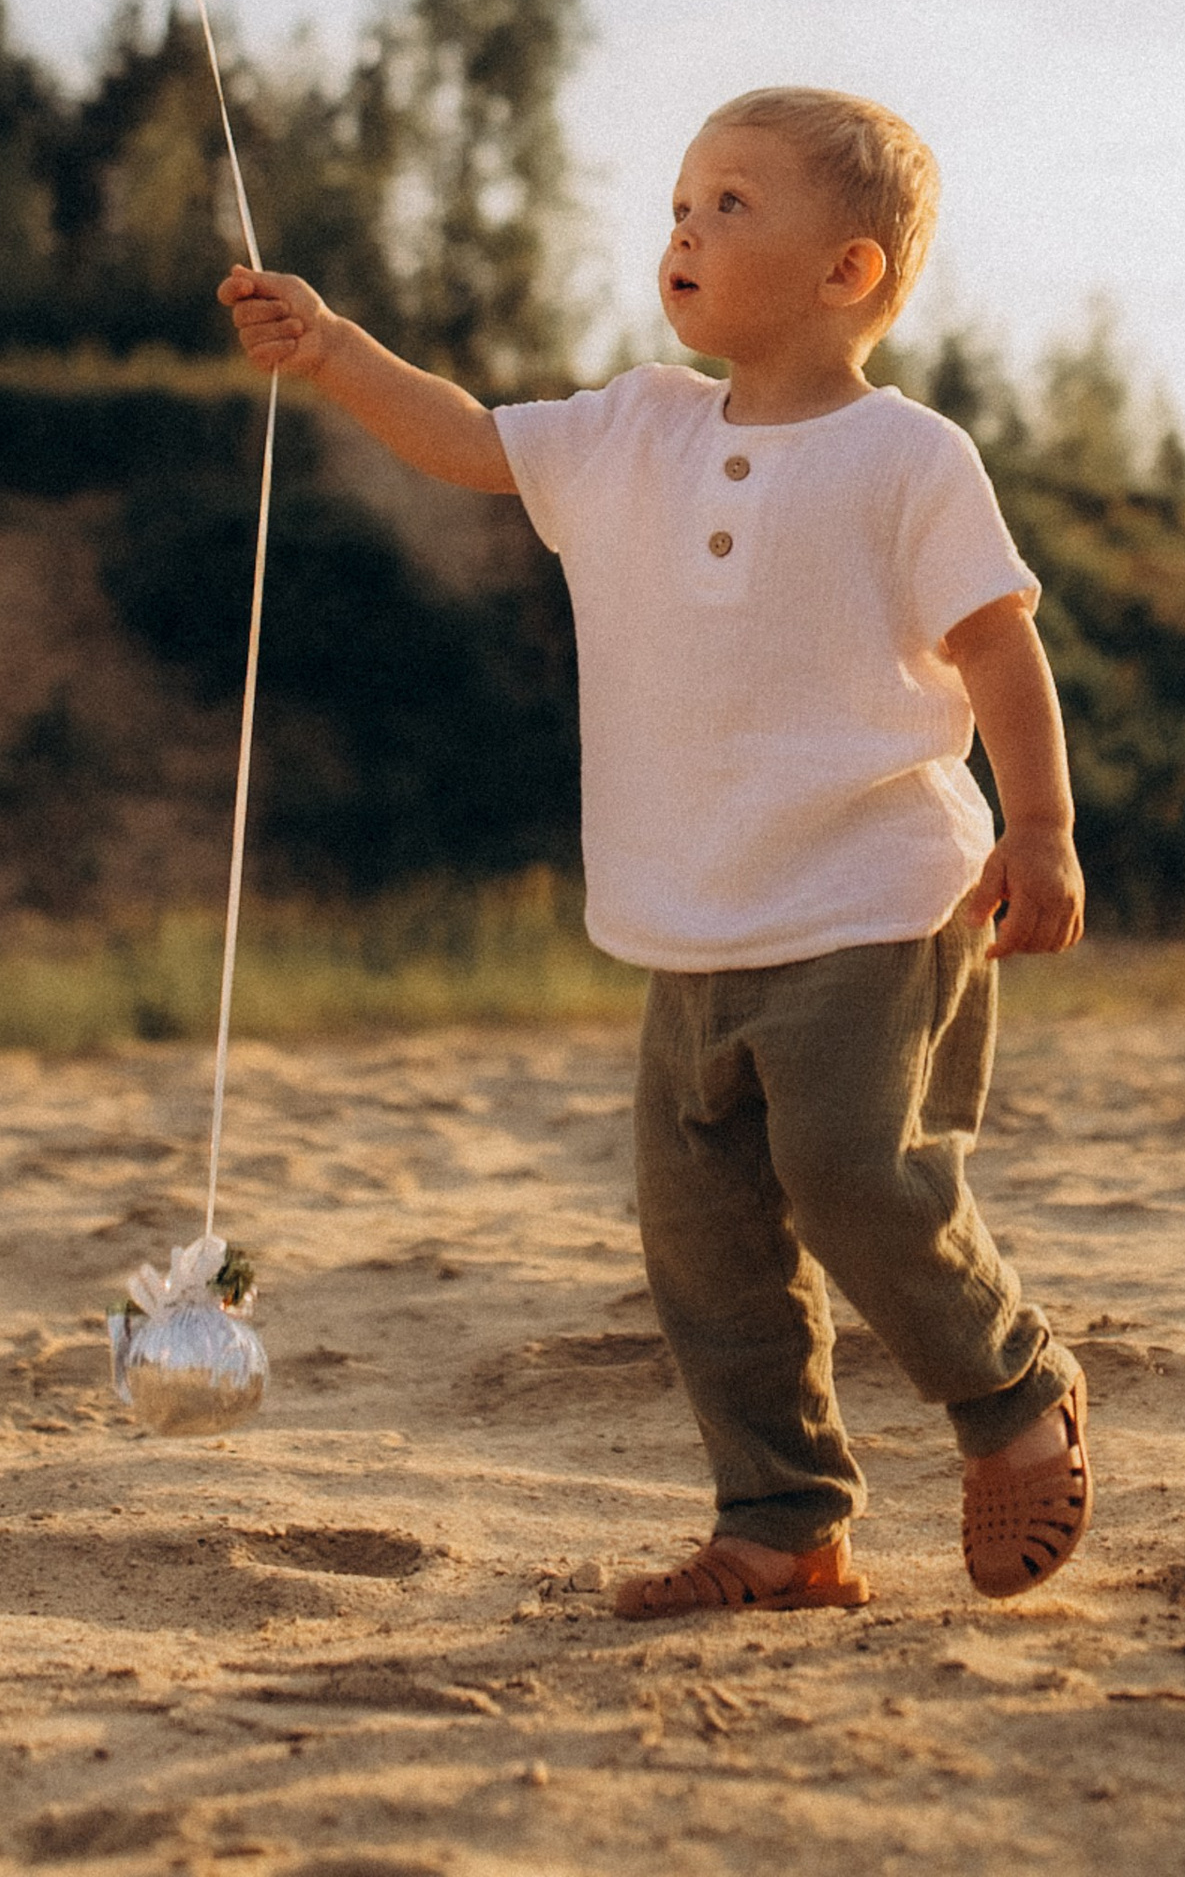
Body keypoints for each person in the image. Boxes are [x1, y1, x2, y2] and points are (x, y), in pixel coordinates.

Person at [221, 84, 1089, 1616]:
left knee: (853, 1172)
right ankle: (782, 1523)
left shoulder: (910, 458)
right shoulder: (634, 427)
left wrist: (1041, 826)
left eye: (732, 204)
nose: (684, 227)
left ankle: (1011, 1392)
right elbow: (476, 443)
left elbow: (1000, 650)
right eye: (680, 202)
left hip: (875, 896)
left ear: (852, 275)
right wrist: (339, 352)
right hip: (688, 920)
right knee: (703, 1246)